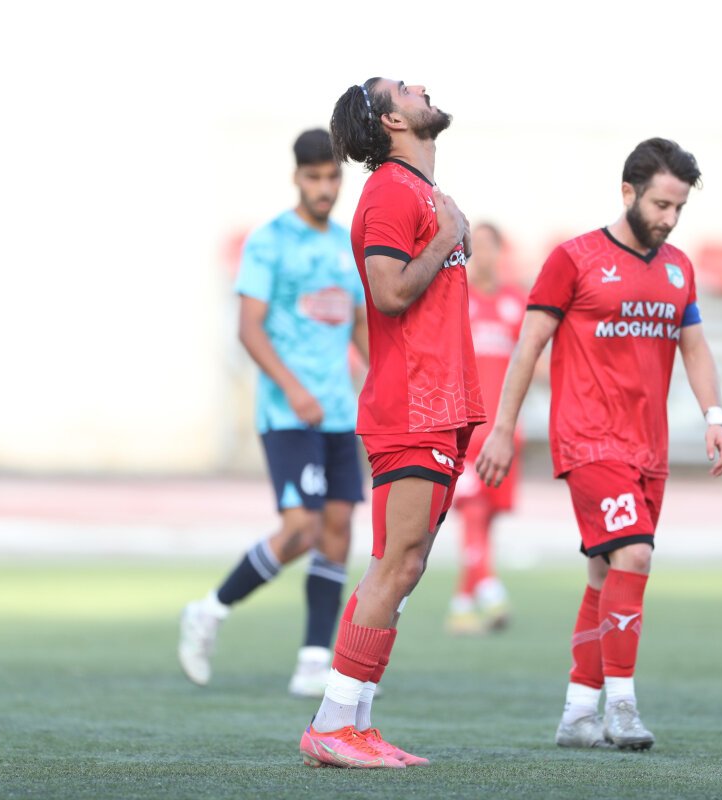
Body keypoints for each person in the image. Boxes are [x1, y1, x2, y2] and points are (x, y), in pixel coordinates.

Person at [476, 138, 722, 751]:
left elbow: (694, 346)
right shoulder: (575, 259)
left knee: (606, 572)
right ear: (628, 192)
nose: (670, 218)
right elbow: (528, 345)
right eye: (662, 205)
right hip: (588, 439)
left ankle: (576, 713)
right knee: (635, 556)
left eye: (679, 208)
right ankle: (622, 706)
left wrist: (715, 416)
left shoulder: (679, 268)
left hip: (648, 446)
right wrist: (503, 429)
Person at [297, 77, 482, 769]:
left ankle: (356, 721)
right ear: (391, 121)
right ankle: (332, 724)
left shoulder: (421, 193)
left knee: (405, 566)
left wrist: (453, 232)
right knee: (394, 563)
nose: (420, 87)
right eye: (404, 88)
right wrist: (449, 238)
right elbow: (389, 291)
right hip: (412, 405)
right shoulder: (389, 192)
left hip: (441, 404)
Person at [177, 128, 368, 698]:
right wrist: (294, 388)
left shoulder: (348, 246)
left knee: (338, 529)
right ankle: (210, 610)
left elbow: (359, 325)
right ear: (296, 178)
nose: (324, 188)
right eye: (314, 177)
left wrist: (383, 380)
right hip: (288, 413)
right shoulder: (270, 242)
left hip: (339, 412)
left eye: (332, 177)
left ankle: (313, 660)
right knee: (302, 528)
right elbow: (249, 328)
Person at [446, 223, 527, 635]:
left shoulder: (516, 303)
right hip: (467, 432)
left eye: (488, 246)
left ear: (500, 252)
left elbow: (532, 360)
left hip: (506, 432)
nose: (481, 255)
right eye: (474, 247)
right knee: (473, 513)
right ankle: (490, 590)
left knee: (487, 518)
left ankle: (462, 605)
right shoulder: (456, 300)